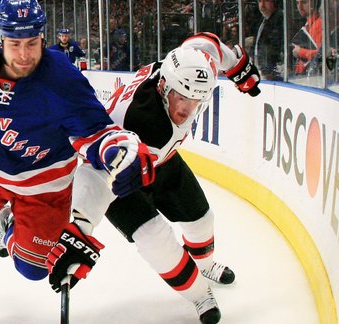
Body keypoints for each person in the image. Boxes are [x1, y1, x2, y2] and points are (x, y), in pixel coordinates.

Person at [0, 0, 152, 307]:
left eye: (32, 43)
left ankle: (7, 226)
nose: (24, 54)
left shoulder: (63, 78)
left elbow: (95, 132)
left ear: (42, 37)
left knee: (32, 269)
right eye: (14, 43)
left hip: (47, 184)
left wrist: (120, 150)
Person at [46, 32, 261, 324]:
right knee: (157, 242)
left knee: (202, 220)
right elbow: (94, 171)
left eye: (196, 100)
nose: (186, 109)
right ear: (163, 87)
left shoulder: (189, 68)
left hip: (162, 161)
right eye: (181, 97)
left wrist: (237, 65)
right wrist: (82, 226)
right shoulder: (137, 119)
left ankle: (205, 265)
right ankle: (200, 294)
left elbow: (206, 43)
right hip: (120, 178)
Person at [254, 0, 284, 80]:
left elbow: (274, 47)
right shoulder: (263, 19)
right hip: (262, 70)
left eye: (266, 1)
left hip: (271, 74)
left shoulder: (279, 18)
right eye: (260, 1)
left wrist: (268, 71)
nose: (262, 5)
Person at [292, 0, 322, 75]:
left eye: (304, 2)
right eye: (297, 3)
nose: (300, 7)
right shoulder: (308, 24)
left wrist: (300, 52)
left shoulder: (320, 24)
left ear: (315, 3)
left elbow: (322, 55)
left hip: (313, 77)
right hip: (303, 76)